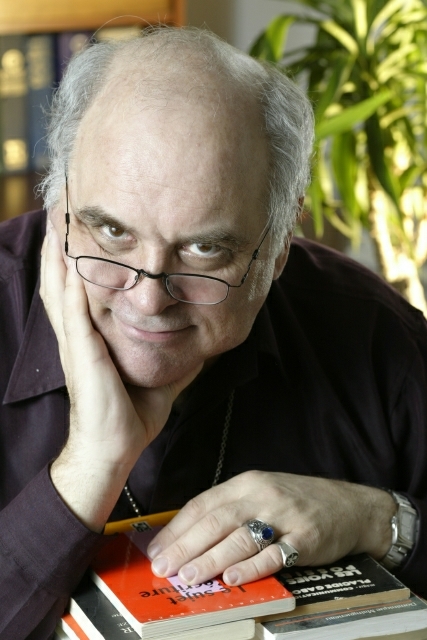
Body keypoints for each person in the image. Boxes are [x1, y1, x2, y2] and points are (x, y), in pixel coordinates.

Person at [0, 26, 426, 638]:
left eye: (204, 249)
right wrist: (91, 464)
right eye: (112, 233)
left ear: (278, 245)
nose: (149, 298)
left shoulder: (374, 335)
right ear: (58, 204)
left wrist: (378, 521)